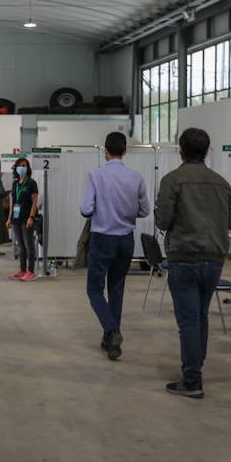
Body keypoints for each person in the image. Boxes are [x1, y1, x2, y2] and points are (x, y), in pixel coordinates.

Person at [154, 127, 231, 399]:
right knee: (200, 316)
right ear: (207, 151)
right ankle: (196, 368)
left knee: (188, 321)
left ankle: (192, 380)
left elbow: (163, 220)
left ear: (181, 150)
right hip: (214, 259)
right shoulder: (222, 183)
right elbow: (229, 220)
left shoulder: (172, 180)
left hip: (184, 257)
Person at [80, 132, 150, 359]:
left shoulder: (95, 175)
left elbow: (86, 209)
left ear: (105, 150)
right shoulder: (136, 177)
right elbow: (144, 211)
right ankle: (111, 344)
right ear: (125, 151)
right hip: (126, 239)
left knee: (94, 289)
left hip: (102, 238)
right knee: (117, 288)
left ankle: (112, 329)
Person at [8, 156, 40, 280]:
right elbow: (12, 201)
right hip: (16, 218)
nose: (22, 167)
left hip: (27, 217)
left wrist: (31, 217)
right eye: (20, 165)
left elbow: (34, 201)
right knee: (20, 245)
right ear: (16, 168)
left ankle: (30, 271)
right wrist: (9, 217)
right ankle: (22, 270)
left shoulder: (31, 183)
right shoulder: (15, 183)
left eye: (24, 165)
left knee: (28, 244)